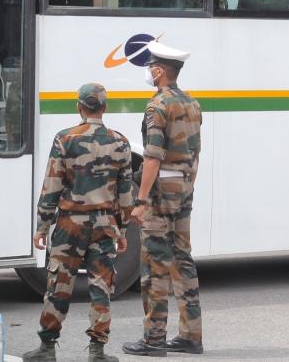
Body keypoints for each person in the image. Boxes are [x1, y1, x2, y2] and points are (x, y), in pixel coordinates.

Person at [23, 84, 133, 362]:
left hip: (70, 224)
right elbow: (125, 193)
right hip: (106, 224)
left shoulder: (65, 138)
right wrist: (122, 229)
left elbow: (52, 186)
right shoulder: (121, 142)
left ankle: (47, 347)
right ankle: (97, 351)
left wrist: (42, 226)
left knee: (59, 282)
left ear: (79, 106)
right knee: (101, 286)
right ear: (104, 108)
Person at [123, 41, 204, 357]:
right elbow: (196, 154)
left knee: (155, 263)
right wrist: (188, 187)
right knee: (182, 259)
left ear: (158, 71)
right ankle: (191, 336)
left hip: (160, 193)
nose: (147, 72)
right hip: (183, 188)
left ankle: (153, 339)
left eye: (149, 67)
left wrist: (141, 201)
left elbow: (152, 157)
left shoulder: (158, 106)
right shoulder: (192, 103)